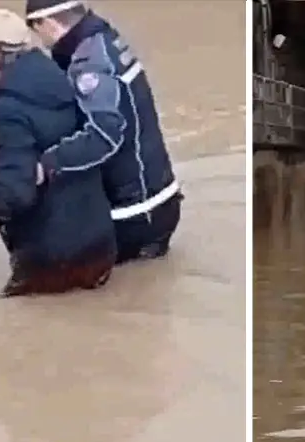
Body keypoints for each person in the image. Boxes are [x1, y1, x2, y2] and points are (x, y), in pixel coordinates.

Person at [0, 9, 115, 296]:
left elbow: (16, 196)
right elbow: (54, 138)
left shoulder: (6, 110)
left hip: (51, 261)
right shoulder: (56, 75)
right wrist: (0, 151)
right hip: (99, 245)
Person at [23, 0, 182, 264]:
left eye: (36, 32)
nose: (41, 42)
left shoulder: (90, 64)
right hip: (157, 201)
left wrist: (46, 164)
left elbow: (103, 136)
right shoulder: (102, 39)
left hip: (136, 214)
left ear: (47, 23)